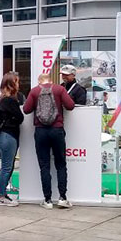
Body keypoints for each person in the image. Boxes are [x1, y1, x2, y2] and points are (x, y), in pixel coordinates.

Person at [23, 73, 75, 209]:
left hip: (41, 131)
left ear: (39, 81)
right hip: (57, 130)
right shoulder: (59, 89)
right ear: (51, 81)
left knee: (44, 166)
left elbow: (26, 109)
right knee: (61, 164)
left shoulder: (34, 91)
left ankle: (47, 200)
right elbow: (70, 105)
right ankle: (62, 198)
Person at [0, 73, 25, 207]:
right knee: (7, 167)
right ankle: (1, 196)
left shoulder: (1, 98)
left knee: (6, 166)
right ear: (11, 84)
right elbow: (20, 117)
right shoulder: (10, 100)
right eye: (16, 82)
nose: (18, 84)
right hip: (9, 135)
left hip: (3, 135)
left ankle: (2, 194)